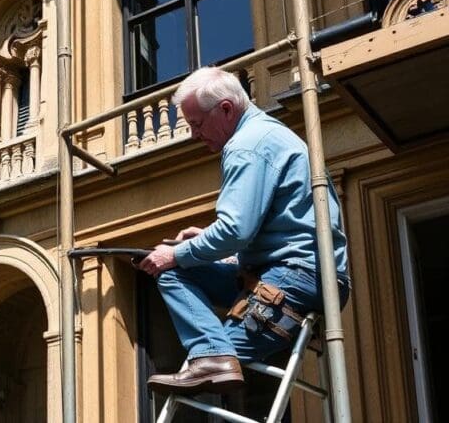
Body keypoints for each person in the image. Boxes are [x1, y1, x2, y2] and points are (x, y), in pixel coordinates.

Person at [138, 66, 349, 396]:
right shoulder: (268, 134)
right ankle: (212, 357)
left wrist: (176, 253)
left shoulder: (245, 146)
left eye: (196, 124)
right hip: (306, 272)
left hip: (295, 276)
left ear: (225, 109)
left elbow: (235, 230)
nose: (194, 135)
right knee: (176, 273)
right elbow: (276, 226)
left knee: (215, 362)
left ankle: (212, 358)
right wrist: (209, 244)